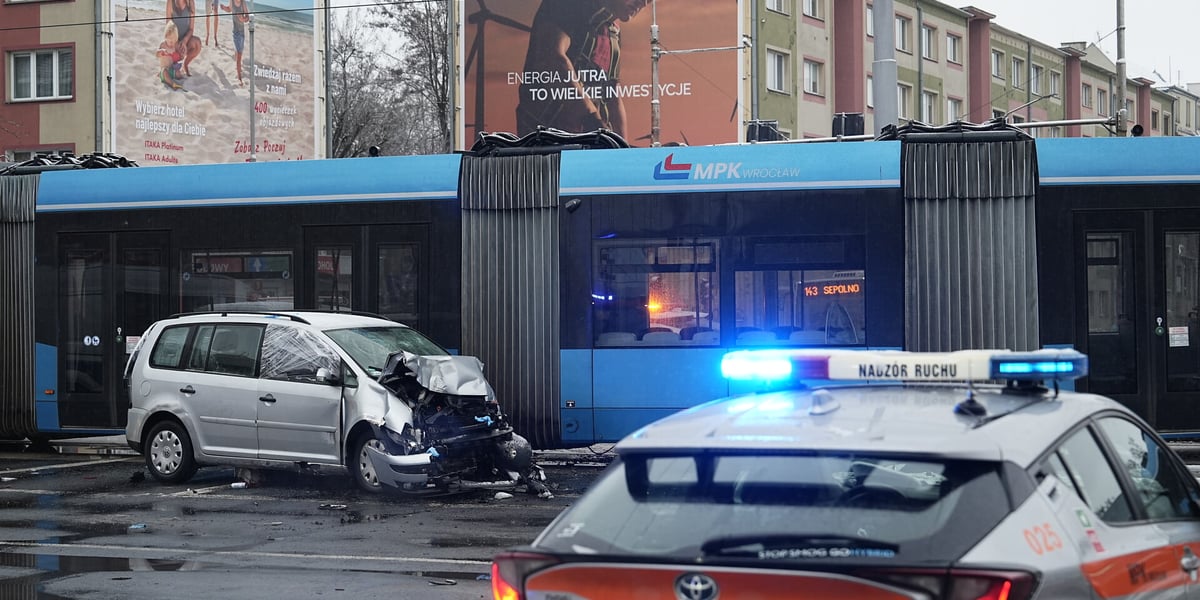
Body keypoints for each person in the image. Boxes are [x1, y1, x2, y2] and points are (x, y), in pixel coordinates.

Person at [516, 0, 650, 139]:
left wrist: (622, 149)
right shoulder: (566, 5)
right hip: (547, 141)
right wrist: (593, 120)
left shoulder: (612, 27)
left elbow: (612, 92)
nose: (645, 2)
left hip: (588, 141)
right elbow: (552, 60)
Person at [166, 0, 201, 76]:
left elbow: (191, 29)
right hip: (173, 39)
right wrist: (177, 42)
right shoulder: (170, 2)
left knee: (197, 43)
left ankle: (185, 64)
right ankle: (174, 62)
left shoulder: (190, 2)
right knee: (174, 73)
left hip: (186, 39)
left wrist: (184, 41)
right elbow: (168, 26)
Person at [222, 0, 251, 85]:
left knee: (239, 52)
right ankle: (239, 78)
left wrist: (243, 19)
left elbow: (247, 17)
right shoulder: (232, 1)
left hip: (242, 33)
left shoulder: (243, 3)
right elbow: (229, 9)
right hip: (236, 33)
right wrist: (224, 8)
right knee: (239, 56)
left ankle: (238, 67)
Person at [156, 22, 185, 90]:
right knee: (165, 72)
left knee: (179, 74)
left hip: (171, 69)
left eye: (174, 41)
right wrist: (161, 51)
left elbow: (179, 58)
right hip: (164, 70)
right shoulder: (163, 45)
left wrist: (181, 55)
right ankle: (172, 84)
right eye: (170, 41)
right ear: (166, 37)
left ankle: (171, 79)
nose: (172, 43)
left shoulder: (175, 46)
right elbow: (156, 54)